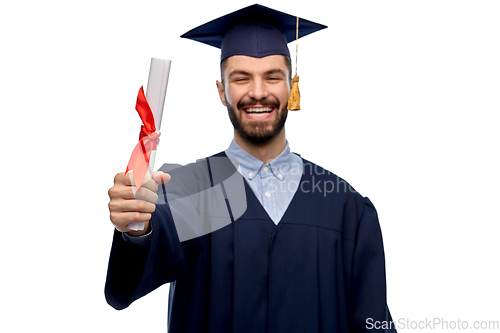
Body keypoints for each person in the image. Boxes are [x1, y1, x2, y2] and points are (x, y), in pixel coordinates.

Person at [106, 4, 397, 333]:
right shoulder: (192, 191)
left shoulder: (345, 208)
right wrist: (135, 227)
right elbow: (123, 289)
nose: (258, 92)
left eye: (272, 77)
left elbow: (373, 324)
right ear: (222, 91)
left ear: (291, 86)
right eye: (241, 78)